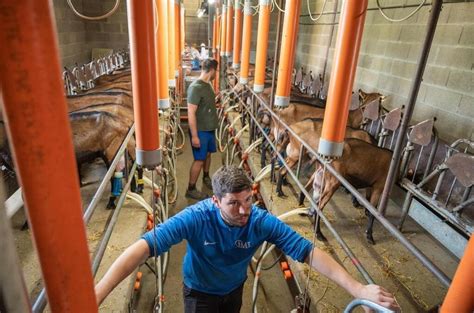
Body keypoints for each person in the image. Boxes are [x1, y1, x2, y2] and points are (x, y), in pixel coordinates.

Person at [95, 166, 399, 313]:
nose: (244, 210)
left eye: (248, 200)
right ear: (215, 201)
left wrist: (358, 288)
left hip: (233, 289)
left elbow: (308, 253)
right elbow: (142, 249)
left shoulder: (259, 220)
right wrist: (97, 293)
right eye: (234, 203)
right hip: (199, 293)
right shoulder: (195, 217)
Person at [185, 58, 219, 200]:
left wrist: (217, 97)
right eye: (216, 71)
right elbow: (191, 112)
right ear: (212, 70)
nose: (216, 74)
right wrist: (194, 136)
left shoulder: (208, 84)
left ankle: (206, 176)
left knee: (208, 155)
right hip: (200, 131)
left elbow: (206, 103)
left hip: (209, 129)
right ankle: (191, 189)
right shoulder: (195, 87)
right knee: (199, 159)